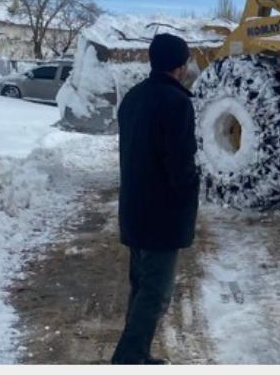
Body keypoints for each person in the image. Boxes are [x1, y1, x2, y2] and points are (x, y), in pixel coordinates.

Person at [111, 33, 199, 365]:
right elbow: (180, 163)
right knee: (156, 291)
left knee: (140, 284)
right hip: (162, 212)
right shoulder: (177, 104)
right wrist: (191, 187)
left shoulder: (133, 98)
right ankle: (129, 357)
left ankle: (137, 354)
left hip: (134, 207)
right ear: (180, 64)